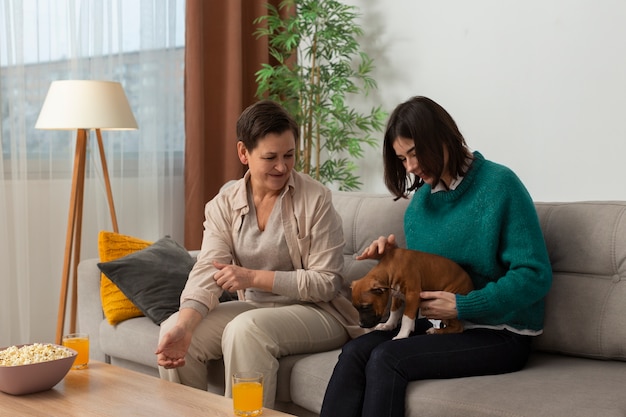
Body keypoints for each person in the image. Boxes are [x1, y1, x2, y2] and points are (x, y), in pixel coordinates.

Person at [320, 96, 553, 417]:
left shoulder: (500, 186)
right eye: (402, 159)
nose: (411, 167)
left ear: (444, 138)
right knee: (355, 352)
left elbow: (534, 275)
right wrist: (390, 261)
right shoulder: (420, 207)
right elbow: (419, 275)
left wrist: (463, 305)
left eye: (415, 152)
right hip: (441, 324)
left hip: (502, 332)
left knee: (387, 357)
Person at [156, 100, 360, 408]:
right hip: (255, 308)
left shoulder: (316, 199)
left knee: (245, 330)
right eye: (270, 157)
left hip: (319, 312)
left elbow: (327, 282)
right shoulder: (223, 205)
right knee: (176, 328)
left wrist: (253, 278)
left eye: (289, 155)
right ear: (243, 153)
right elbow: (206, 271)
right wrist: (185, 322)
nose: (282, 166)